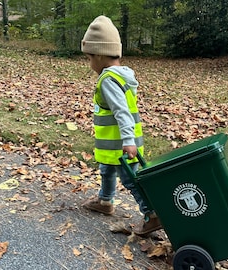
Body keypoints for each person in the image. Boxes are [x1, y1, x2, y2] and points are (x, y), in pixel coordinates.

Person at [81, 15, 161, 235]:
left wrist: (128, 141)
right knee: (106, 171)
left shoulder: (108, 79)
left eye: (89, 58)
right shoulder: (122, 76)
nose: (90, 65)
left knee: (131, 180)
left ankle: (152, 215)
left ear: (99, 54)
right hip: (114, 147)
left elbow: (121, 112)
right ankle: (105, 201)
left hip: (123, 146)